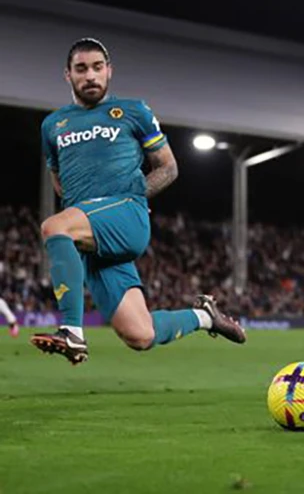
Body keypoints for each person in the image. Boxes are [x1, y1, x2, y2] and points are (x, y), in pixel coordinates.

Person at [30, 38, 245, 365]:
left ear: (109, 71)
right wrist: (86, 212)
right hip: (90, 232)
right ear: (67, 75)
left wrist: (129, 197)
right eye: (81, 69)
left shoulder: (133, 111)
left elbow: (168, 167)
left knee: (53, 226)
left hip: (126, 216)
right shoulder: (52, 125)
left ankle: (71, 332)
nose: (91, 75)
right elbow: (58, 180)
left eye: (97, 68)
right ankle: (204, 317)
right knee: (139, 334)